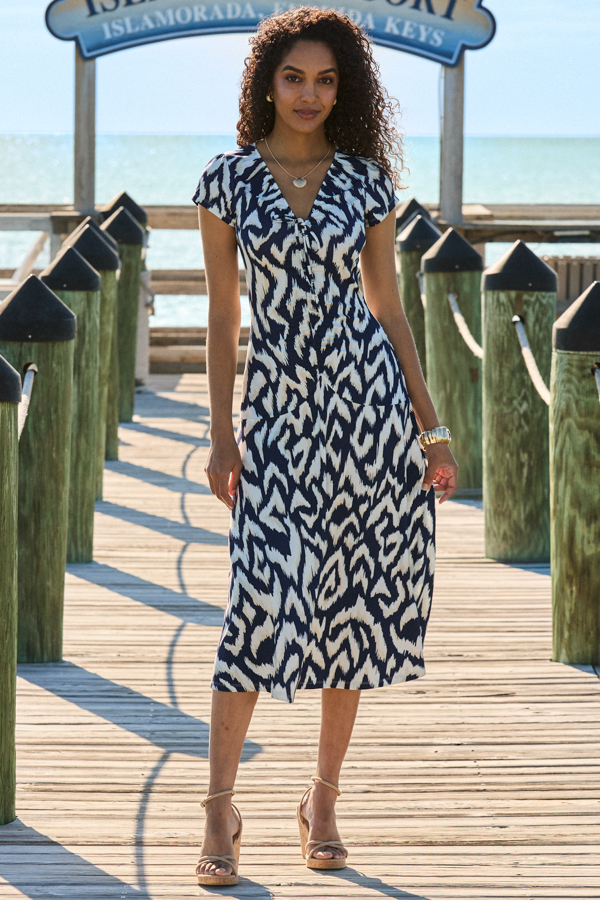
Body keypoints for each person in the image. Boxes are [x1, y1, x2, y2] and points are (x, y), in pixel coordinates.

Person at [192, 6, 458, 887]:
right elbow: (225, 316)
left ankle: (324, 800)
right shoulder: (227, 182)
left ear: (345, 89)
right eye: (294, 77)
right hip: (275, 418)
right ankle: (221, 808)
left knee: (350, 612)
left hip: (369, 416)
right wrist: (221, 432)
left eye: (327, 80)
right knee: (256, 604)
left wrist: (431, 425)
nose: (310, 95)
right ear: (267, 82)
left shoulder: (365, 182)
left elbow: (390, 309)